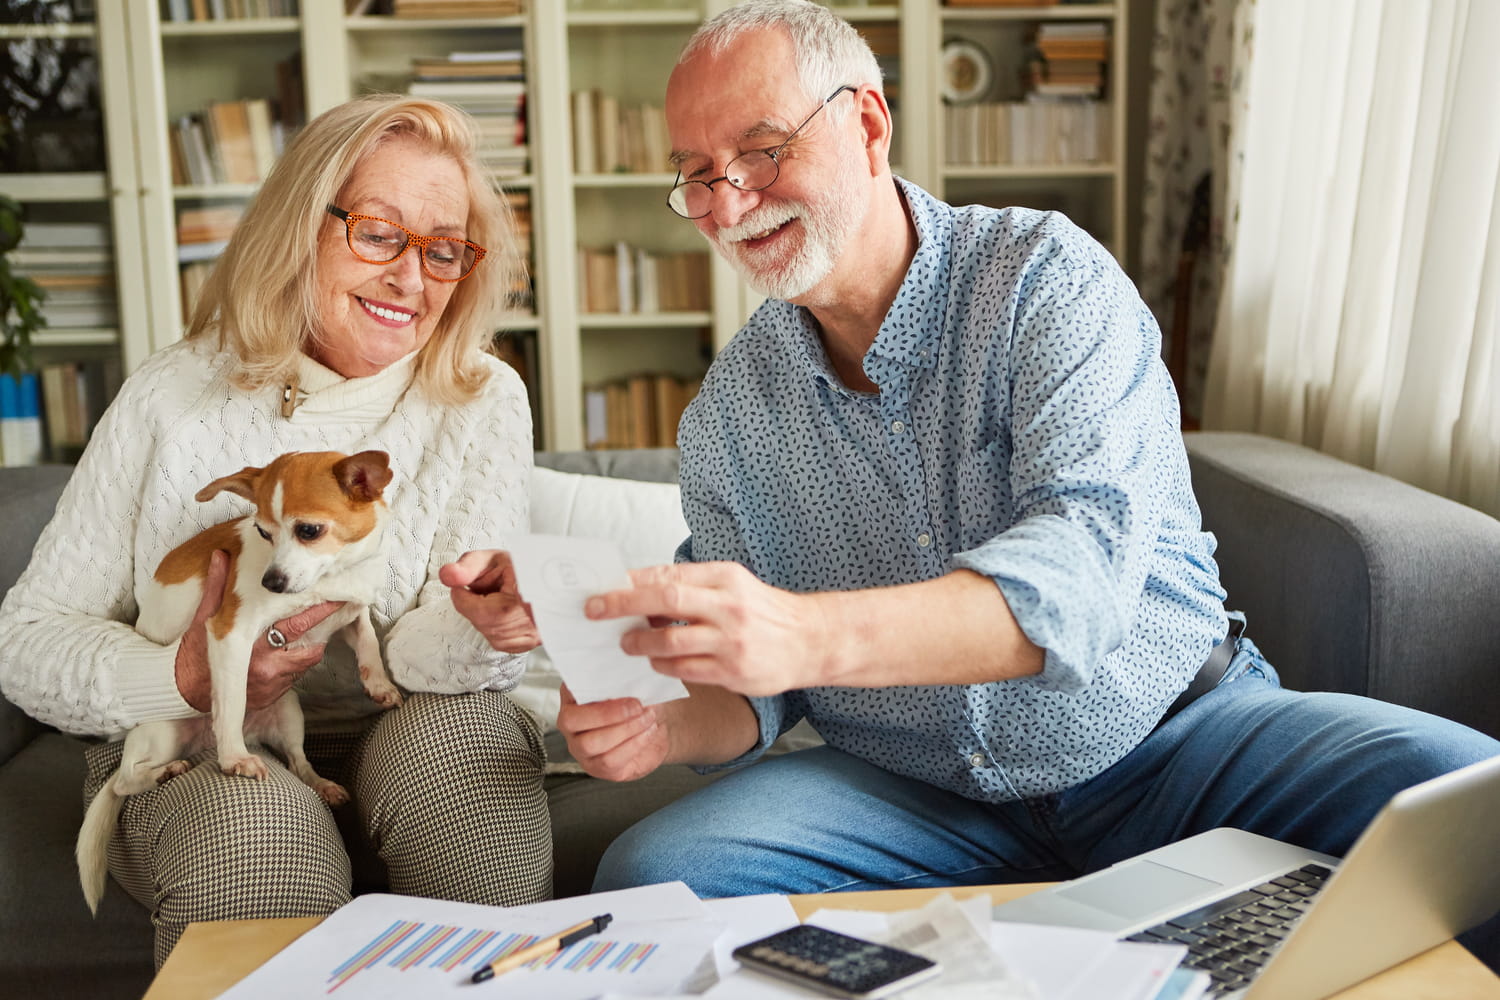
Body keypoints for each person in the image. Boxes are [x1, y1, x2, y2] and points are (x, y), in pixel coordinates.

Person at [555, 0, 1500, 957]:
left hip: (1174, 744)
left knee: (1476, 800)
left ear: (869, 125)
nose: (727, 203)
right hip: (919, 797)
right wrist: (665, 727)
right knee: (651, 881)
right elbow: (756, 696)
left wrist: (804, 633)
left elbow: (1076, 585)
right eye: (697, 174)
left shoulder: (1044, 280)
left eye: (760, 152)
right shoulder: (728, 415)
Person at [0, 94, 550, 965]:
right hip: (203, 732)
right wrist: (180, 676)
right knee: (258, 840)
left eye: (443, 249)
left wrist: (490, 629)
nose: (413, 278)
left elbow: (423, 650)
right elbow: (24, 641)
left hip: (405, 717)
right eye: (378, 232)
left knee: (464, 763)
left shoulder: (482, 397)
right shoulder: (174, 395)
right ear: (301, 227)